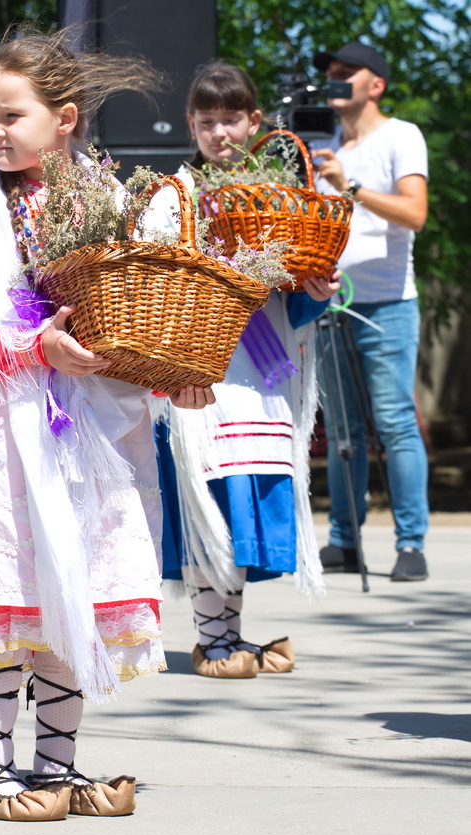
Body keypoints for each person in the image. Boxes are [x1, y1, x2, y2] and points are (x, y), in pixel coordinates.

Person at [0, 24, 213, 822]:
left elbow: (141, 312)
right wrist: (34, 343)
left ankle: (55, 765)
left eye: (11, 116)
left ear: (65, 116)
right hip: (13, 437)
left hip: (91, 435)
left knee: (75, 593)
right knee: (15, 594)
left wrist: (177, 371)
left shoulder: (104, 195)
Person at [144, 61, 337, 679]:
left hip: (263, 374)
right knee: (208, 499)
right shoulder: (175, 195)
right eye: (207, 121)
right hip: (205, 372)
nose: (220, 132)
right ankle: (213, 640)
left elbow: (299, 298)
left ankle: (225, 636)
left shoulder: (283, 197)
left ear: (255, 121)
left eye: (231, 118)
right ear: (191, 125)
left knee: (239, 496)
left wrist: (317, 284)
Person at [312, 41, 429, 582]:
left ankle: (411, 545)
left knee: (395, 424)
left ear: (374, 84)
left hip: (387, 305)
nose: (333, 79)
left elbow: (415, 213)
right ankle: (345, 540)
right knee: (342, 431)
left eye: (344, 72)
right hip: (333, 305)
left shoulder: (401, 136)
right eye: (329, 73)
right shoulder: (325, 146)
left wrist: (350, 187)